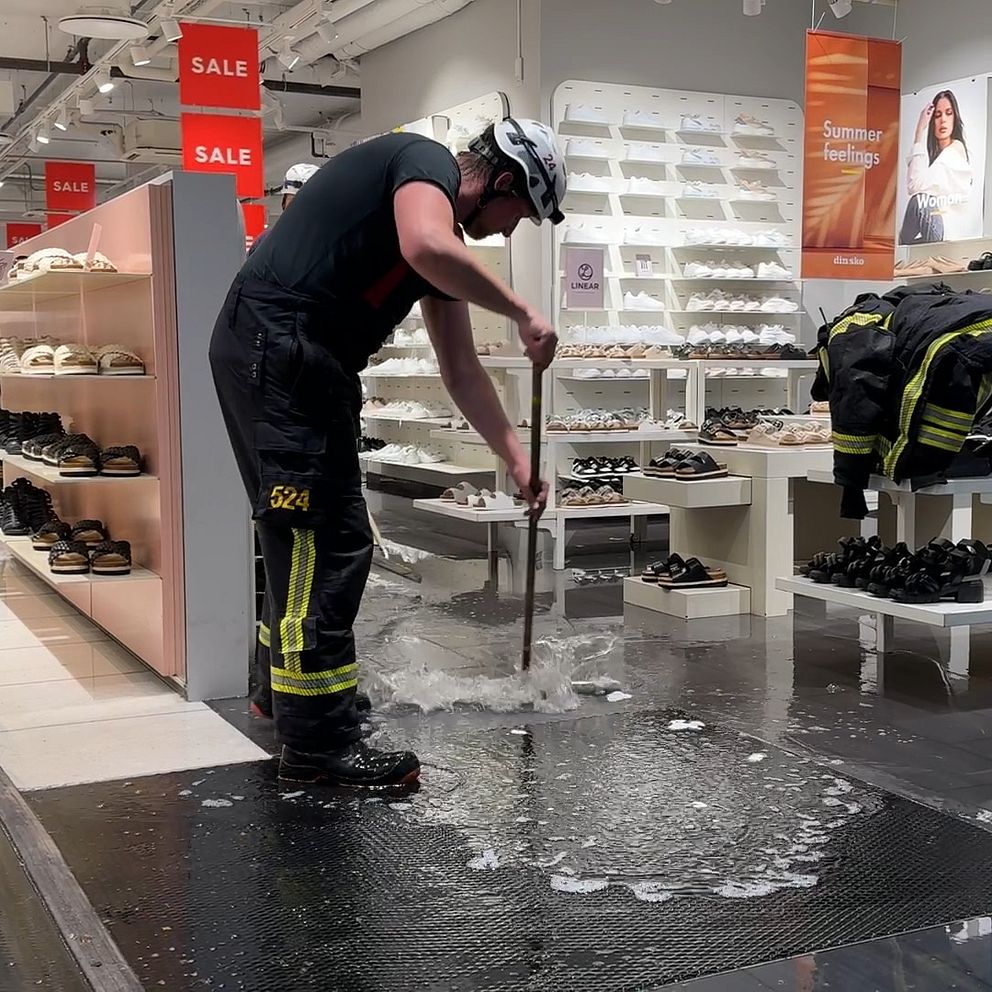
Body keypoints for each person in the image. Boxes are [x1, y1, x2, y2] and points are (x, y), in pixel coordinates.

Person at [209, 118, 566, 789]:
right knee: (323, 541)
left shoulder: (439, 237)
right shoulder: (424, 162)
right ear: (503, 181)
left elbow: (460, 369)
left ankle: (286, 698)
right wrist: (522, 312)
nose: (511, 231)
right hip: (282, 353)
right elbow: (426, 244)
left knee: (303, 538)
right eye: (521, 213)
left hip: (288, 357)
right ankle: (317, 745)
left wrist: (516, 457)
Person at [902, 89, 975, 244]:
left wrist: (919, 132)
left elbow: (914, 186)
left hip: (948, 231)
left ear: (955, 118)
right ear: (932, 122)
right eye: (937, 115)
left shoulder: (955, 149)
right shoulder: (935, 157)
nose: (943, 120)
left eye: (949, 113)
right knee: (903, 239)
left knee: (919, 201)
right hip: (941, 232)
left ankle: (902, 244)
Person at [248, 162, 320, 255]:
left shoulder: (333, 243)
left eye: (308, 203)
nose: (300, 209)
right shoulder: (265, 242)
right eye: (294, 201)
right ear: (284, 202)